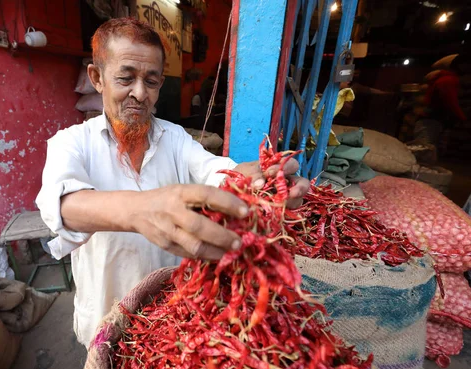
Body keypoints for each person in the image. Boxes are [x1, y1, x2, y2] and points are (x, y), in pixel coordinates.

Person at [36, 18, 310, 348]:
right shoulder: (71, 143)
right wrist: (139, 210)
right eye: (125, 78)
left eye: (150, 81)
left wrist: (256, 181)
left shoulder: (175, 138)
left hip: (172, 319)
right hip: (105, 318)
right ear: (97, 78)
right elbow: (61, 205)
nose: (139, 93)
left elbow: (215, 172)